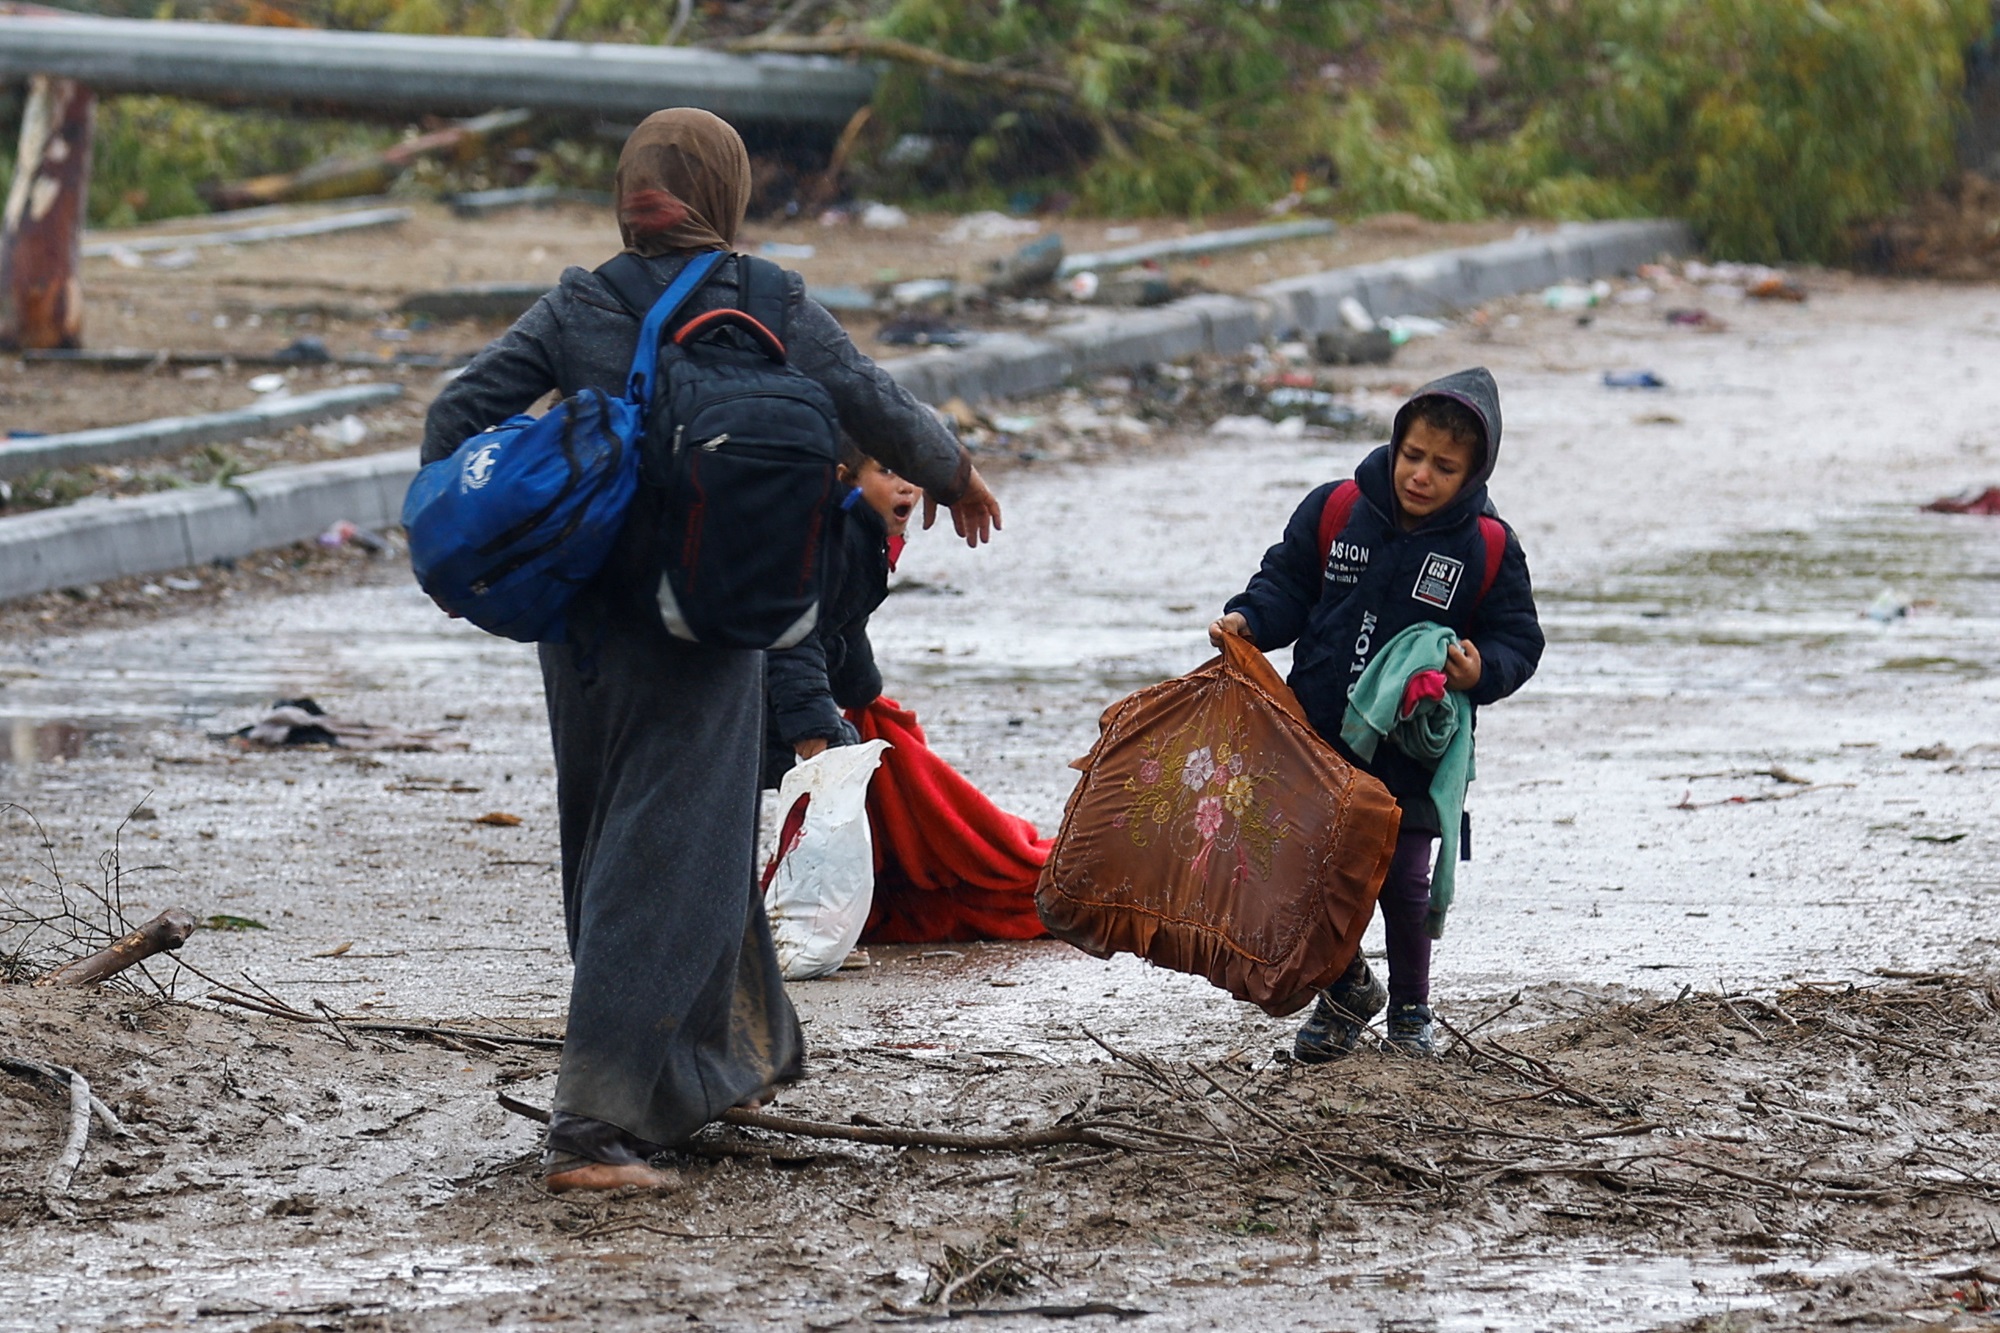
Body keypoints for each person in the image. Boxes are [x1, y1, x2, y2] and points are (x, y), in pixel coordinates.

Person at [422, 108, 1003, 1192]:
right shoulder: (768, 298)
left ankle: (709, 1067)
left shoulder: (579, 301)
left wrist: (524, 513)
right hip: (711, 620)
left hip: (583, 621)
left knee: (621, 840)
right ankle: (592, 1129)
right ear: (723, 198)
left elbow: (458, 415)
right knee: (669, 855)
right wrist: (956, 472)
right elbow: (875, 402)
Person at [1208, 368, 1542, 1060]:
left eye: (1444, 467)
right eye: (1412, 455)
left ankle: (1413, 1011)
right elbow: (1286, 583)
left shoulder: (1486, 547)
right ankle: (1347, 989)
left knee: (1403, 881)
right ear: (1395, 443)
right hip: (1321, 739)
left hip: (1414, 751)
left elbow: (1519, 638)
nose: (1421, 475)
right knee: (1308, 874)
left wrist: (1483, 670)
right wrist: (1247, 617)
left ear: (1474, 472)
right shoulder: (1335, 509)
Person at [761, 436, 917, 788]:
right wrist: (815, 732)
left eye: (913, 472)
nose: (906, 485)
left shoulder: (864, 534)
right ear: (847, 479)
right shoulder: (829, 538)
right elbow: (793, 632)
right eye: (888, 471)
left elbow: (845, 620)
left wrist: (863, 691)